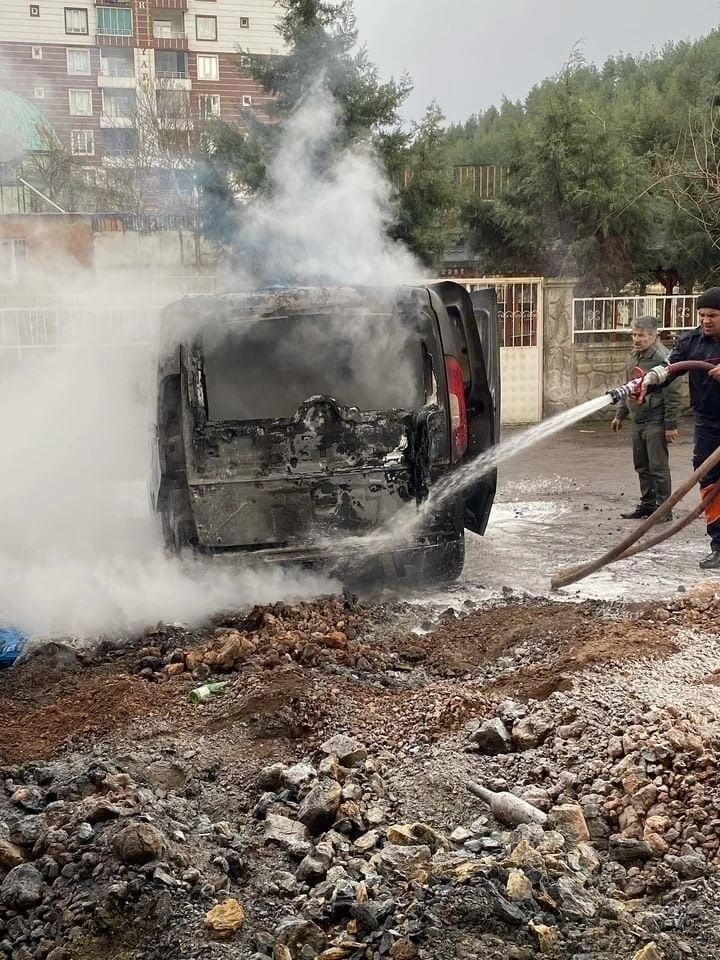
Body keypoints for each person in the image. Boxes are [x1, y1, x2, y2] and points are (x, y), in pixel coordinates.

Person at [640, 287, 720, 569]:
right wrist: (649, 379)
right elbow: (671, 367)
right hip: (709, 422)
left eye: (712, 315)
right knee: (709, 479)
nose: (706, 320)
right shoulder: (692, 341)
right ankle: (719, 546)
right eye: (702, 315)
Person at [611, 316, 681, 521]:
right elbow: (629, 386)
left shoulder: (662, 358)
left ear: (653, 336)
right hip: (638, 419)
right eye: (634, 334)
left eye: (641, 335)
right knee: (641, 465)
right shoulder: (634, 356)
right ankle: (647, 505)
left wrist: (670, 425)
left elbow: (673, 393)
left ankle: (664, 509)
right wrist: (620, 415)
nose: (636, 339)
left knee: (658, 466)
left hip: (655, 419)